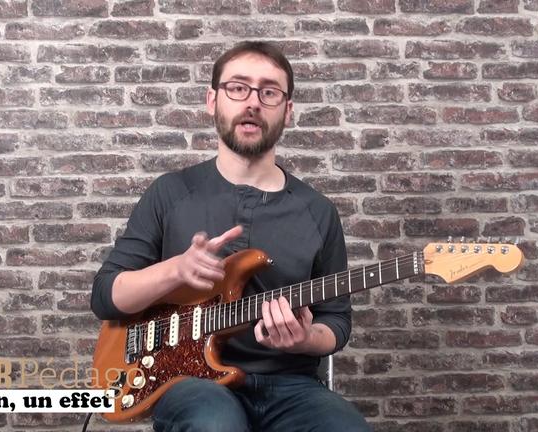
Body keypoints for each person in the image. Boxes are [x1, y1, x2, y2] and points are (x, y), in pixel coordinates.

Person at [91, 41, 370, 432]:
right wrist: (175, 271)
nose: (252, 102)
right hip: (188, 382)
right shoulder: (170, 193)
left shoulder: (318, 212)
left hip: (291, 385)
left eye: (269, 92)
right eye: (238, 88)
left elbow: (336, 322)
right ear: (213, 101)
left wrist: (305, 338)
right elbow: (105, 297)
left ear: (288, 110)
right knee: (216, 424)